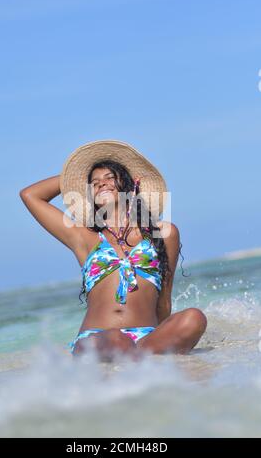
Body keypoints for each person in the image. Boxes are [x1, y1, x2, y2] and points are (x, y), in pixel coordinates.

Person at [20, 139, 207, 362]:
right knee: (119, 340)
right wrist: (76, 179)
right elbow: (30, 195)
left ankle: (144, 361)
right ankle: (142, 365)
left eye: (110, 178)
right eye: (95, 182)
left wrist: (162, 333)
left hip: (146, 338)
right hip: (97, 339)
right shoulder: (84, 237)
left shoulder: (163, 233)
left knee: (194, 318)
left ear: (130, 185)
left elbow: (164, 298)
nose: (102, 183)